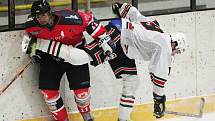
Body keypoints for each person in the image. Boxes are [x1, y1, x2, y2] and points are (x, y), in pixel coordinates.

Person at [22, 0, 116, 121]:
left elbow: (89, 19)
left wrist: (103, 37)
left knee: (82, 95)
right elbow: (31, 39)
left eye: (43, 15)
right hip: (51, 58)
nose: (41, 19)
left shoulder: (70, 18)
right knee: (49, 95)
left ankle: (88, 118)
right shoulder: (32, 26)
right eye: (38, 16)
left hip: (75, 53)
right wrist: (35, 51)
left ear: (50, 13)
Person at [111, 2, 188, 119]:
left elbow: (135, 14)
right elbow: (158, 75)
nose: (174, 54)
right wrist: (159, 101)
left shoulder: (158, 29)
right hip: (118, 38)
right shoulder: (165, 46)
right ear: (175, 43)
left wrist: (121, 7)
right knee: (82, 57)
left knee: (132, 82)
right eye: (177, 51)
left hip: (118, 31)